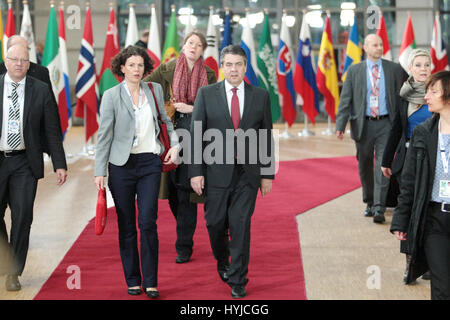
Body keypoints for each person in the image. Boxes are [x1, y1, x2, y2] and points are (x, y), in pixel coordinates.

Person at [189, 45, 275, 299]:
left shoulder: (260, 96)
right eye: (229, 64)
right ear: (222, 67)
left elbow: (266, 136)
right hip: (215, 173)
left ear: (245, 67)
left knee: (240, 224)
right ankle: (222, 259)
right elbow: (196, 137)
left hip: (247, 175)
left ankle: (238, 279)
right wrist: (196, 172)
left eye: (238, 64)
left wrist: (267, 174)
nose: (234, 69)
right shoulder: (206, 94)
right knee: (214, 223)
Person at [94, 46, 179, 298]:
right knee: (127, 224)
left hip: (149, 164)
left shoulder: (154, 90)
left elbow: (166, 120)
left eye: (140, 65)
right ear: (122, 68)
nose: (136, 70)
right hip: (121, 166)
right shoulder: (111, 96)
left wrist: (174, 144)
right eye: (131, 65)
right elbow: (104, 136)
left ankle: (151, 281)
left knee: (148, 222)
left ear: (145, 69)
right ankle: (133, 279)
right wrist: (100, 170)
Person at [144, 31, 216, 264]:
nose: (194, 47)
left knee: (186, 192)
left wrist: (191, 109)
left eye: (198, 44)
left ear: (203, 49)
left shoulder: (210, 74)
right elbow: (143, 89)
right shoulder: (165, 70)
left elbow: (215, 108)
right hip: (168, 136)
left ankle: (184, 245)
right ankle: (184, 230)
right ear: (183, 45)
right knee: (174, 191)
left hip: (196, 137)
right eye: (190, 43)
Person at [0, 44, 67, 291]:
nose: (19, 64)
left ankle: (13, 271)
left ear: (29, 64)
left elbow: (51, 129)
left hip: (24, 162)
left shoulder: (40, 90)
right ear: (6, 61)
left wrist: (59, 163)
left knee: (22, 216)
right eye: (14, 59)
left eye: (24, 60)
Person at [336, 34, 408, 224]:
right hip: (363, 124)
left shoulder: (394, 69)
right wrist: (340, 125)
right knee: (365, 164)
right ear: (365, 48)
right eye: (375, 45)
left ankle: (379, 207)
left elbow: (404, 93)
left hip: (387, 123)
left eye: (381, 44)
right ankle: (369, 200)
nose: (379, 48)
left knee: (382, 165)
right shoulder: (354, 71)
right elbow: (346, 100)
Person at [391, 70, 450, 300]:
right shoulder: (423, 132)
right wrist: (401, 219)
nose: (427, 97)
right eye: (427, 91)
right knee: (441, 286)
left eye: (433, 91)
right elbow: (410, 180)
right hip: (434, 218)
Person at [380, 49, 433, 283]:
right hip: (407, 162)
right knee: (408, 214)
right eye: (418, 65)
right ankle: (410, 264)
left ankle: (431, 263)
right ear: (410, 69)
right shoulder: (402, 96)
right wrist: (385, 160)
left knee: (430, 213)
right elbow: (396, 130)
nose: (423, 69)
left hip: (432, 162)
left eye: (426, 65)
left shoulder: (439, 93)